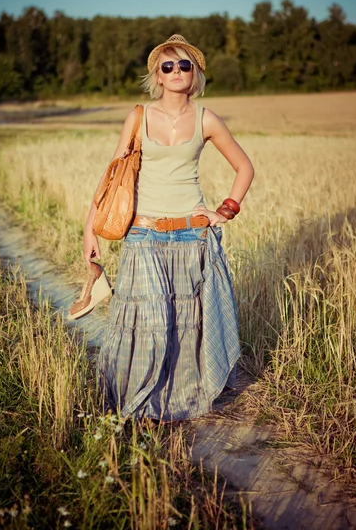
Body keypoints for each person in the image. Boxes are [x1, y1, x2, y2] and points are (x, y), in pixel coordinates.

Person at [83, 34, 254, 421]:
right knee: (147, 322)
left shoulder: (206, 119)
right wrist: (89, 229)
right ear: (157, 76)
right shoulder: (139, 116)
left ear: (196, 74)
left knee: (184, 325)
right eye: (168, 66)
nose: (177, 71)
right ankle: (133, 406)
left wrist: (224, 210)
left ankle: (178, 404)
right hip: (143, 234)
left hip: (192, 235)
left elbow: (244, 168)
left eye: (185, 65)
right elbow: (112, 176)